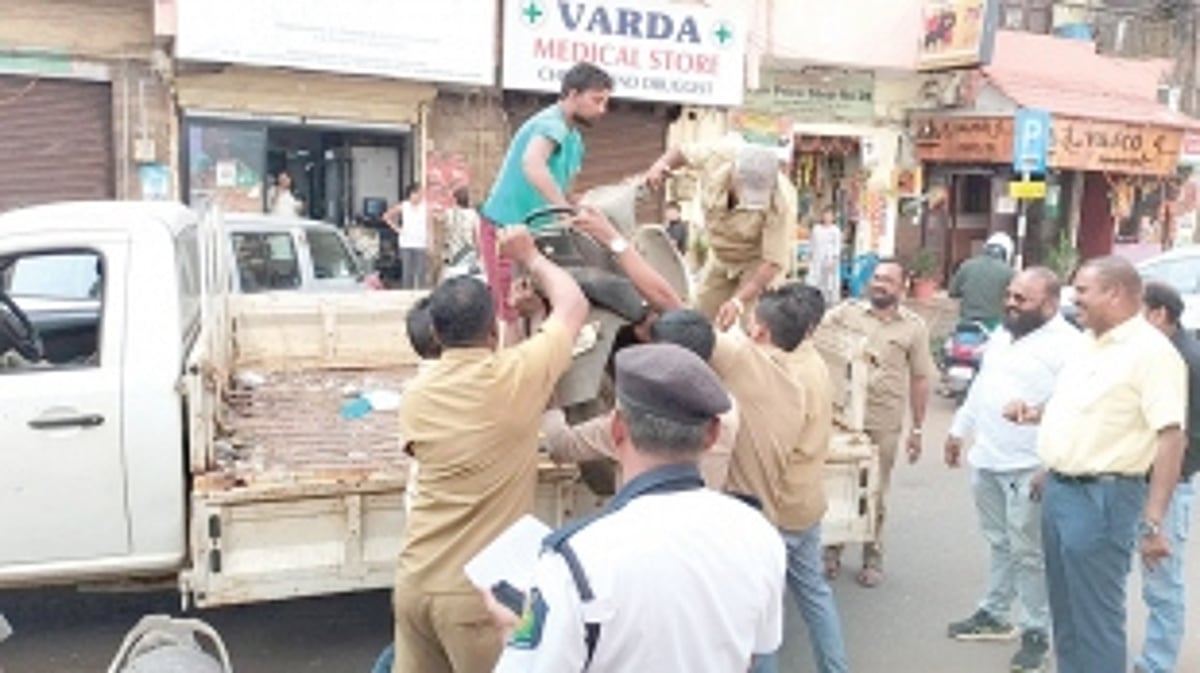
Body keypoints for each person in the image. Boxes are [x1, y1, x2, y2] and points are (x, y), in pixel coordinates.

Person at [489, 343, 786, 672]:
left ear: (617, 428)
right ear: (713, 433)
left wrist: (508, 628)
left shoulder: (574, 562)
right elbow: (754, 652)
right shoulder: (760, 536)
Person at [392, 226, 588, 673]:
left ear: (435, 332)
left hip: (415, 583)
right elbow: (573, 305)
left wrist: (516, 321)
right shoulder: (514, 377)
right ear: (492, 332)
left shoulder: (417, 394)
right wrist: (530, 255)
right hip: (476, 598)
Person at [1007, 256, 1186, 673]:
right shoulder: (1088, 342)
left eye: (1083, 291)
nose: (1074, 299)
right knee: (1067, 616)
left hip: (1104, 498)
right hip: (1060, 490)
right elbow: (1081, 406)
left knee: (1095, 621)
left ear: (1115, 293)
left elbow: (1171, 437)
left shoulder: (1152, 353)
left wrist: (1153, 522)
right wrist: (1036, 415)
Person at [943, 267, 1080, 673]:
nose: (1010, 303)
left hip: (1028, 465)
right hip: (987, 458)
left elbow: (1074, 410)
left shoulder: (1069, 347)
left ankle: (1035, 630)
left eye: (1022, 298)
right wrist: (958, 430)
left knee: (1028, 552)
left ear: (1050, 303)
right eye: (1009, 295)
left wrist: (1049, 465)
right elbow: (982, 386)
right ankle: (995, 612)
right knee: (999, 541)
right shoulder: (1003, 334)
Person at [724, 284, 848, 673]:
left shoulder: (778, 374)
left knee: (760, 616)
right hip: (807, 503)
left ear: (763, 330)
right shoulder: (813, 361)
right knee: (814, 596)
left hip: (775, 510)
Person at [819, 258, 936, 587]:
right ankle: (831, 551)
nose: (879, 284)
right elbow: (817, 341)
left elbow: (920, 379)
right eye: (876, 278)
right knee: (837, 483)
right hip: (842, 417)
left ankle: (873, 556)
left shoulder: (913, 327)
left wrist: (917, 429)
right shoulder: (845, 314)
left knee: (875, 490)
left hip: (882, 420)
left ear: (902, 288)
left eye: (887, 280)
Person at [479, 62, 613, 343]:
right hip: (507, 229)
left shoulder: (575, 140)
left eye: (605, 102)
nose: (603, 110)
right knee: (512, 312)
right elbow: (532, 164)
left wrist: (581, 207)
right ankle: (513, 368)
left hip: (538, 236)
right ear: (572, 94)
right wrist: (563, 210)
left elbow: (564, 190)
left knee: (538, 306)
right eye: (597, 100)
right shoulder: (550, 123)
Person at [540, 308, 738, 489]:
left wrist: (549, 393)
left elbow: (561, 445)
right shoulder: (727, 411)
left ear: (618, 428)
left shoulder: (633, 419)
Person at [645, 140, 798, 331]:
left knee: (752, 326)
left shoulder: (782, 202)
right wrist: (661, 165)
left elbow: (772, 263)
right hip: (721, 257)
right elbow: (682, 151)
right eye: (747, 191)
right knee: (699, 317)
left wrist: (738, 301)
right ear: (735, 173)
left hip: (756, 264)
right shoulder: (719, 155)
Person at [1135, 281, 1200, 673]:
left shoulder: (1183, 361)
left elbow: (1185, 437)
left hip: (1167, 484)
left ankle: (1157, 663)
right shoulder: (1164, 353)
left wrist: (1162, 490)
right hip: (1148, 478)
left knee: (1162, 580)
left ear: (1159, 314)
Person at [949, 232, 1015, 327]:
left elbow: (953, 292)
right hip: (994, 324)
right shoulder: (1009, 272)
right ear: (1007, 252)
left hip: (966, 323)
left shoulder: (966, 265)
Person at [383, 184, 433, 290]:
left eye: (421, 194)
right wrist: (397, 229)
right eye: (417, 193)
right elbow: (386, 216)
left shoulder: (426, 207)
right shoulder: (403, 206)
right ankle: (406, 294)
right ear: (411, 194)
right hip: (406, 243)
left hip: (421, 243)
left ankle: (420, 294)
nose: (419, 196)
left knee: (420, 273)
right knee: (407, 273)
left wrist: (430, 243)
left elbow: (429, 227)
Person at [439, 187, 481, 282]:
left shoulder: (449, 213)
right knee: (466, 279)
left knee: (450, 280)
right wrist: (479, 253)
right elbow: (477, 236)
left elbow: (441, 223)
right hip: (468, 251)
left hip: (452, 253)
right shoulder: (473, 214)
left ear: (455, 200)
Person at [807, 206, 843, 306]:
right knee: (814, 278)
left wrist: (834, 259)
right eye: (825, 215)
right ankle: (814, 298)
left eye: (829, 215)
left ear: (833, 217)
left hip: (830, 258)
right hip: (817, 257)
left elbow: (837, 246)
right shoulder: (816, 229)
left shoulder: (835, 230)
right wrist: (810, 254)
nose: (827, 217)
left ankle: (829, 301)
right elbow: (812, 243)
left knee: (829, 281)